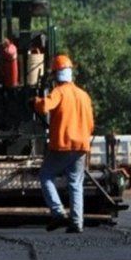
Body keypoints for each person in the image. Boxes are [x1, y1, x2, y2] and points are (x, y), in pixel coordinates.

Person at [34, 54, 94, 234]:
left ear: (56, 74)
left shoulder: (59, 92)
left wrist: (35, 102)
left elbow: (45, 106)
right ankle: (77, 222)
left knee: (46, 175)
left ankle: (58, 212)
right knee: (75, 183)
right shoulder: (84, 95)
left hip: (63, 145)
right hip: (81, 146)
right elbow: (91, 124)